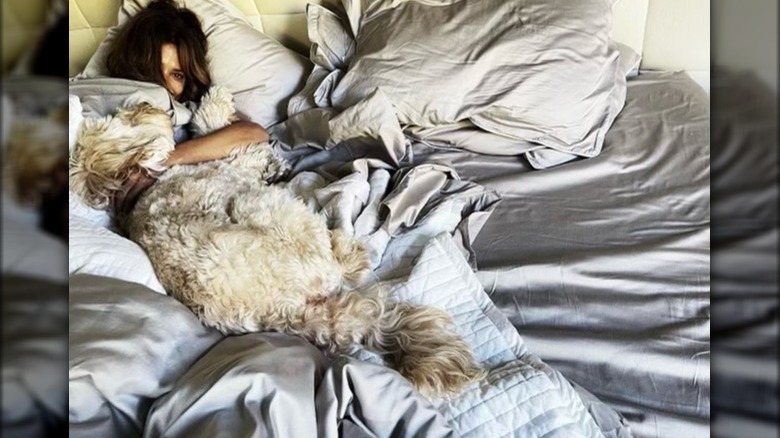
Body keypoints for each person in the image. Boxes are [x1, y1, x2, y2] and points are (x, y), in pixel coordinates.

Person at [104, 0, 269, 212]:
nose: (164, 83)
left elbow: (254, 133)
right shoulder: (106, 93)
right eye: (155, 67)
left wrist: (164, 161)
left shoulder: (190, 110)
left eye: (177, 74)